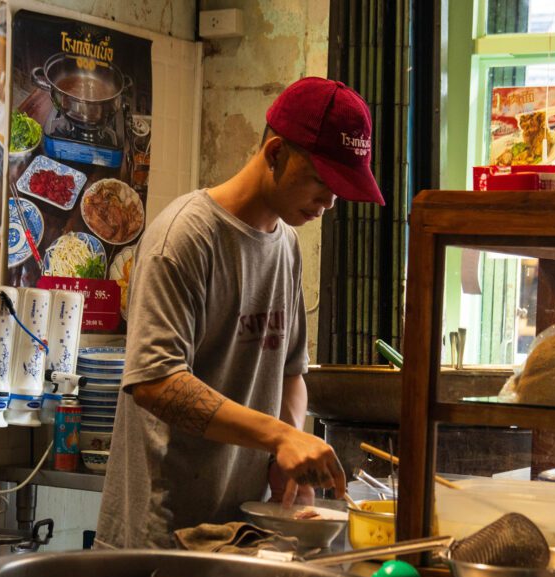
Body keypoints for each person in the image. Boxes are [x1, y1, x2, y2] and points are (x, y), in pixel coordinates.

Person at [95, 78, 386, 549]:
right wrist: (278, 437)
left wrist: (288, 455)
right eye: (322, 182)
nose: (331, 202)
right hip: (163, 536)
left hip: (243, 529)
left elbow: (291, 372)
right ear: (276, 153)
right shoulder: (184, 239)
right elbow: (155, 381)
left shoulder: (286, 246)